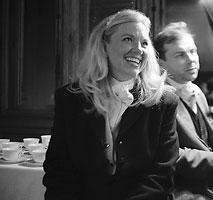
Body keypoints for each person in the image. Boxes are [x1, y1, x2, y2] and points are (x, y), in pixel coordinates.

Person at [43, 9, 179, 200]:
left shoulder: (165, 102)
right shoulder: (70, 98)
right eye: (127, 39)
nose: (138, 49)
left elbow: (161, 175)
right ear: (103, 46)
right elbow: (58, 171)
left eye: (144, 43)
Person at [154, 22, 213, 199]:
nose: (191, 59)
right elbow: (172, 155)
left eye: (193, 51)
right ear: (161, 62)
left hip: (209, 180)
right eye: (180, 55)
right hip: (181, 186)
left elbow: (210, 135)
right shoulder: (157, 99)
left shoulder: (196, 91)